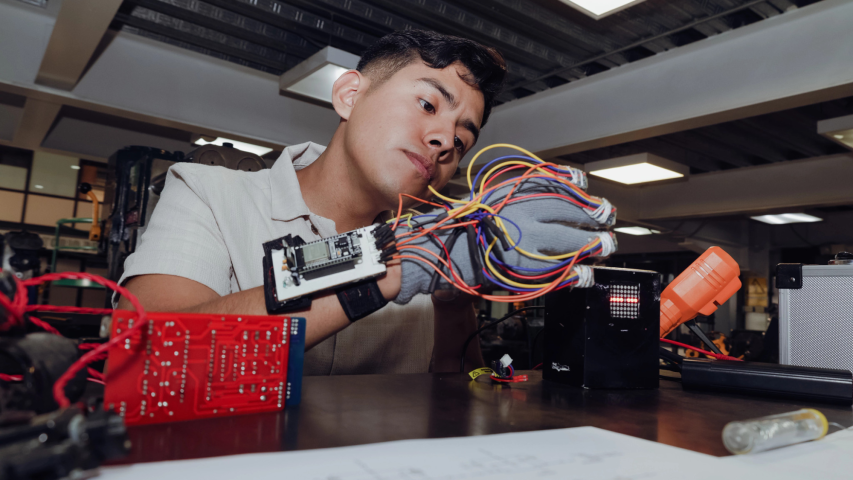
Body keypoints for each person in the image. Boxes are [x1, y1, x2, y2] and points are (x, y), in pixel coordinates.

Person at [116, 30, 508, 375]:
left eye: (461, 142)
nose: (444, 140)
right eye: (427, 105)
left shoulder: (433, 246)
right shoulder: (207, 192)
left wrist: (454, 302)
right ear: (350, 95)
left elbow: (462, 395)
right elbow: (149, 350)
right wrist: (390, 264)